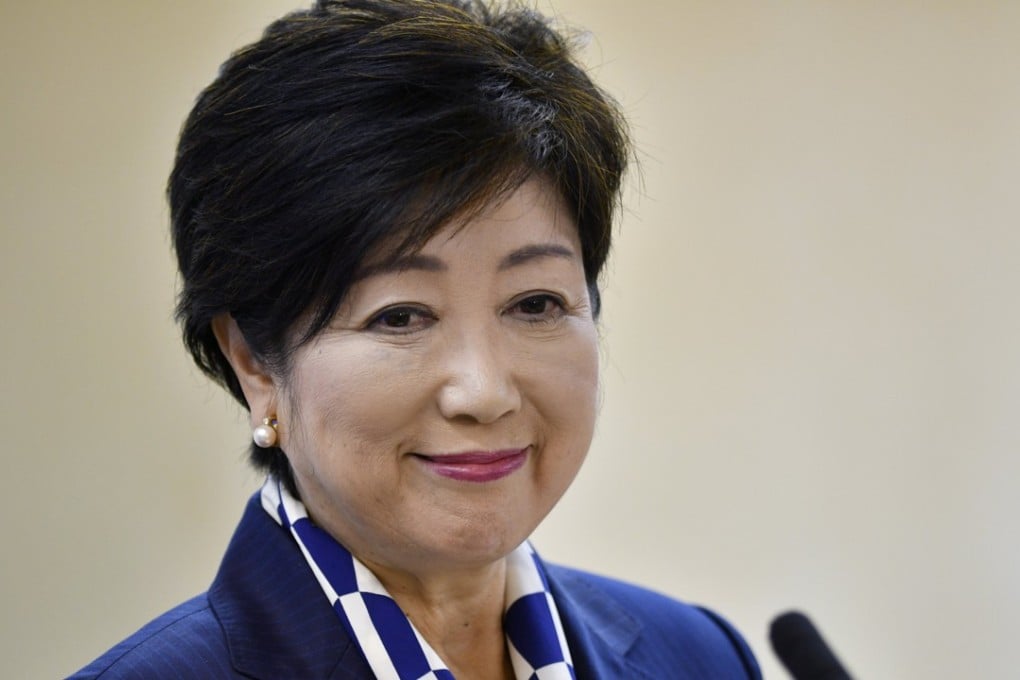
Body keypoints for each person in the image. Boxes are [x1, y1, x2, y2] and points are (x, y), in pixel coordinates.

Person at [71, 1, 761, 678]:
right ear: (255, 364)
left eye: (535, 303)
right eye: (400, 317)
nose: (483, 392)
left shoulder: (701, 657)